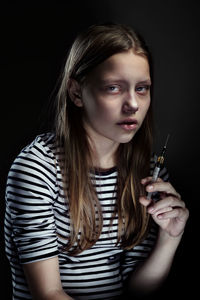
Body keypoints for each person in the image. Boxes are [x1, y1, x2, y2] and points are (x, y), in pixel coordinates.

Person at [4, 23, 189, 300]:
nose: (133, 105)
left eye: (142, 88)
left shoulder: (148, 172)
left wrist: (170, 237)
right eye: (113, 88)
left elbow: (137, 288)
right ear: (77, 93)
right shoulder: (38, 169)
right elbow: (48, 293)